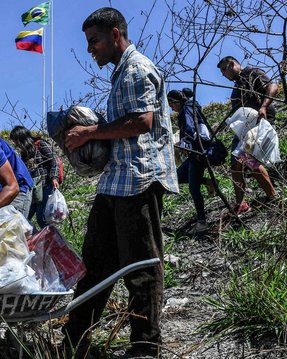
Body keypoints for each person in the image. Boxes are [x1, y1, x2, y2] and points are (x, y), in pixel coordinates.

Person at [61, 7, 179, 358]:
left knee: (140, 269)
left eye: (94, 41)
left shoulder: (137, 68)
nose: (90, 49)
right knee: (95, 266)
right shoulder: (122, 73)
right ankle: (74, 342)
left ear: (115, 35)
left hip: (139, 182)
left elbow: (142, 121)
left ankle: (145, 347)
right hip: (116, 184)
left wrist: (89, 133)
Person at [217, 56, 279, 215]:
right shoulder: (236, 88)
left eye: (225, 69)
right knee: (235, 165)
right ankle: (241, 204)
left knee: (246, 158)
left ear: (232, 64)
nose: (224, 74)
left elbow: (272, 87)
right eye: (222, 71)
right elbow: (236, 112)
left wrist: (264, 107)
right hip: (243, 128)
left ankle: (273, 196)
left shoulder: (252, 73)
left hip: (258, 122)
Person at [167, 89, 216, 232]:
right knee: (177, 178)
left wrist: (186, 143)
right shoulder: (193, 107)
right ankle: (209, 182)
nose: (171, 108)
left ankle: (202, 222)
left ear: (176, 101)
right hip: (200, 149)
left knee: (193, 188)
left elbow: (189, 127)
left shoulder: (186, 109)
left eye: (171, 104)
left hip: (197, 152)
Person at [9, 125, 60, 229]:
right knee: (25, 216)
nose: (16, 144)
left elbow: (54, 161)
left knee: (42, 217)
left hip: (46, 185)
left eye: (16, 140)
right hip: (33, 188)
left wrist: (54, 177)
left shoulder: (41, 144)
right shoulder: (25, 152)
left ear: (22, 138)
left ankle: (51, 241)